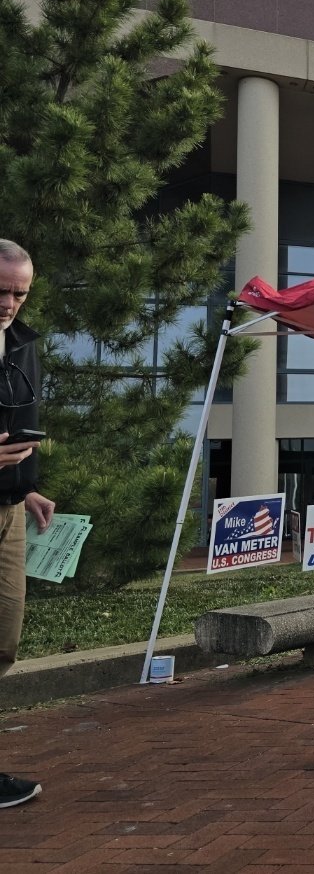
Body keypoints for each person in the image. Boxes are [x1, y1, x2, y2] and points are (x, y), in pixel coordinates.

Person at [0, 241, 54, 808]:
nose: (9, 303)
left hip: (10, 512)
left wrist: (27, 485)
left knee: (3, 641)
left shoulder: (22, 345)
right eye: (0, 290)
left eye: (19, 292)